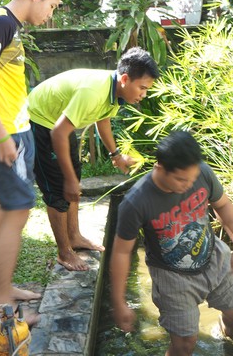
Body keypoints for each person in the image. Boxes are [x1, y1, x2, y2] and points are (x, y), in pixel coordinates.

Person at [0, 0, 68, 316]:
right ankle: (0, 298)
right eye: (52, 6)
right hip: (7, 133)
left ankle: (3, 286)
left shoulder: (9, 26)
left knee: (6, 207)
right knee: (18, 209)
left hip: (16, 129)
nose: (50, 15)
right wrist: (1, 135)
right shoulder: (0, 24)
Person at [110, 131, 233, 356]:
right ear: (159, 168)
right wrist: (119, 302)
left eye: (192, 179)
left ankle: (226, 332)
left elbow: (222, 205)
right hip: (172, 276)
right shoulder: (136, 202)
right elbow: (121, 253)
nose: (188, 185)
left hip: (213, 256)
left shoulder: (202, 172)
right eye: (181, 180)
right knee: (185, 344)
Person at [28, 47, 159, 271]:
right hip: (39, 120)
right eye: (142, 88)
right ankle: (64, 253)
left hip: (57, 123)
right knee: (58, 189)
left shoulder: (114, 92)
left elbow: (103, 120)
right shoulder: (94, 91)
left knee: (74, 179)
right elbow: (58, 133)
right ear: (125, 79)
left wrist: (116, 155)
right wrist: (69, 179)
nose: (143, 95)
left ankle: (74, 236)